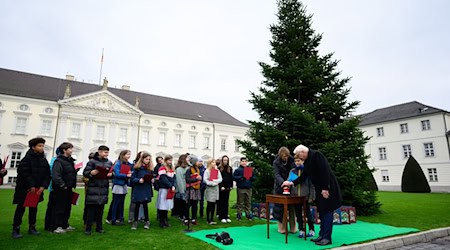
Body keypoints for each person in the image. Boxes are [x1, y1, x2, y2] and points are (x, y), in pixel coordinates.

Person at [284, 145, 342, 246]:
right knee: (322, 211)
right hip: (320, 189)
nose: (300, 158)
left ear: (303, 152)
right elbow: (304, 175)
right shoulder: (308, 160)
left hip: (327, 188)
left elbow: (325, 172)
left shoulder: (317, 156)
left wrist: (325, 188)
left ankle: (327, 238)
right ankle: (322, 235)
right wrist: (291, 183)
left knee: (327, 211)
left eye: (299, 156)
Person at [11, 137, 51, 239]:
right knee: (21, 209)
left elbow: (47, 174)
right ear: (33, 147)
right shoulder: (27, 159)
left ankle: (32, 227)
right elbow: (24, 173)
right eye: (39, 146)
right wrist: (31, 185)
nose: (42, 148)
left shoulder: (43, 159)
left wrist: (43, 186)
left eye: (43, 145)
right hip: (25, 189)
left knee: (34, 208)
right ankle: (16, 229)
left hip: (38, 189)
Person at [83, 145, 113, 235]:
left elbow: (112, 173)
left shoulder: (109, 162)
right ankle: (88, 228)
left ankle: (99, 228)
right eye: (105, 152)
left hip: (103, 188)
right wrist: (91, 173)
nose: (106, 154)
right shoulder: (92, 162)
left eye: (107, 152)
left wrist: (111, 174)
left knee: (100, 210)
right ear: (99, 152)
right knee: (91, 210)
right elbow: (86, 173)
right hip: (93, 188)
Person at [50, 142, 77, 233]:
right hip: (61, 188)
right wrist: (63, 185)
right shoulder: (58, 161)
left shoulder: (70, 161)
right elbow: (56, 175)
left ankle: (65, 224)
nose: (72, 150)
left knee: (67, 207)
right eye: (70, 148)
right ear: (64, 150)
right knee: (59, 207)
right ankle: (57, 226)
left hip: (69, 187)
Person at [272, 146, 296, 233]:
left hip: (291, 186)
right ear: (280, 156)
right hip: (280, 187)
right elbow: (276, 174)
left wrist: (289, 182)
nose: (285, 158)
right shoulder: (276, 162)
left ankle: (293, 228)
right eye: (283, 156)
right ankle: (282, 228)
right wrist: (283, 183)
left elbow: (294, 172)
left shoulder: (292, 160)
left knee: (292, 207)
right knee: (280, 207)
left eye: (286, 156)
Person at [291, 153, 316, 238]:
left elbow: (312, 185)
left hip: (305, 196)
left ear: (303, 161)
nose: (297, 163)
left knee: (308, 214)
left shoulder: (307, 171)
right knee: (298, 215)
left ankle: (312, 229)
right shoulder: (292, 171)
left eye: (298, 161)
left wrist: (312, 196)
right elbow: (290, 182)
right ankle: (301, 230)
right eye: (295, 161)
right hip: (295, 197)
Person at [130, 152, 154, 230]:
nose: (148, 161)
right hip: (138, 188)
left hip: (146, 188)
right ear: (142, 159)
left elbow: (152, 177)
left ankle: (147, 221)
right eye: (146, 159)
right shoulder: (137, 168)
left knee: (145, 205)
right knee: (137, 205)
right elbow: (132, 179)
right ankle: (135, 221)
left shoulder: (149, 169)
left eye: (149, 159)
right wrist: (138, 180)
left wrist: (152, 180)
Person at [110, 150, 133, 226]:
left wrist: (130, 173)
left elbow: (132, 169)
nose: (129, 156)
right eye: (127, 154)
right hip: (118, 184)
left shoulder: (128, 164)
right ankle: (113, 219)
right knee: (116, 202)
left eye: (129, 154)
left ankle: (121, 218)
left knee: (122, 203)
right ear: (123, 155)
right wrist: (126, 175)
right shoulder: (118, 163)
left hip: (124, 184)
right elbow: (117, 174)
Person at [156, 155, 176, 228]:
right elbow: (163, 179)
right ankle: (161, 221)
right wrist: (171, 186)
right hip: (164, 189)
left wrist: (173, 185)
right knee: (162, 205)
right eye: (169, 160)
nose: (170, 162)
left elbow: (174, 178)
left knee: (167, 205)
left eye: (171, 160)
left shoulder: (172, 169)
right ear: (166, 160)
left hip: (170, 189)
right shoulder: (162, 168)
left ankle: (165, 220)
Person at [127, 151, 145, 224]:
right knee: (134, 202)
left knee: (142, 202)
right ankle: (131, 217)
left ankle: (140, 216)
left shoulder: (146, 166)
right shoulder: (134, 165)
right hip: (136, 185)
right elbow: (132, 176)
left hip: (143, 186)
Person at [203, 159, 223, 225]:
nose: (214, 163)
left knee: (214, 204)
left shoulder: (217, 171)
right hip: (210, 189)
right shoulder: (207, 171)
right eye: (212, 162)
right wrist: (212, 183)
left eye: (214, 162)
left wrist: (215, 181)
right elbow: (205, 180)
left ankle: (212, 218)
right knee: (209, 204)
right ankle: (208, 219)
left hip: (215, 189)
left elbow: (220, 179)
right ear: (209, 163)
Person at [185, 157, 202, 225]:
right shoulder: (189, 170)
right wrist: (196, 179)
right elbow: (187, 180)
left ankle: (193, 218)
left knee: (195, 205)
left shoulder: (198, 169)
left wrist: (200, 178)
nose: (199, 162)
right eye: (197, 161)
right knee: (188, 204)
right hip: (190, 189)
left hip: (196, 189)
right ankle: (186, 219)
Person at [217, 155, 233, 223]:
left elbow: (231, 178)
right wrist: (221, 186)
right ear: (222, 161)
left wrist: (231, 186)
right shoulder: (219, 168)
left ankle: (226, 215)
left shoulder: (230, 168)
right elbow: (219, 179)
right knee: (221, 202)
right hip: (221, 188)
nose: (225, 161)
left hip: (227, 188)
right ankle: (221, 216)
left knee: (226, 202)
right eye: (224, 160)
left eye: (226, 160)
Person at [175, 154, 188, 223]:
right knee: (182, 203)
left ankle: (185, 215)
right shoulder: (178, 169)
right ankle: (181, 215)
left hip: (187, 188)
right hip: (181, 189)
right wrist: (182, 191)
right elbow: (179, 181)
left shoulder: (187, 168)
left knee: (186, 204)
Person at [83, 152, 95, 225]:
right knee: (88, 206)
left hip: (94, 189)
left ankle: (93, 220)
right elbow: (85, 178)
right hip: (89, 190)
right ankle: (86, 220)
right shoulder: (89, 166)